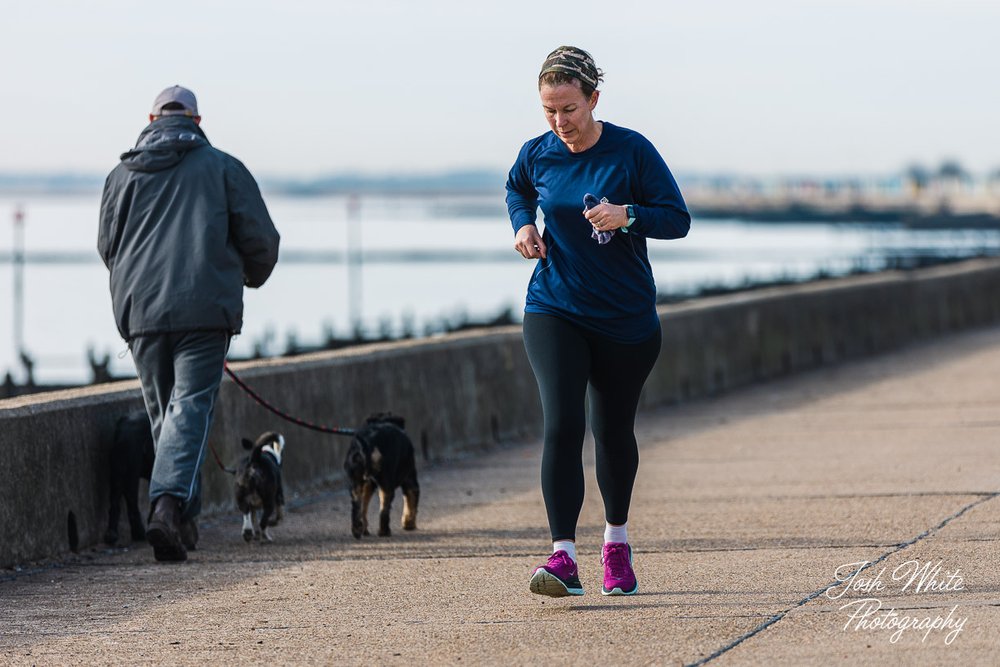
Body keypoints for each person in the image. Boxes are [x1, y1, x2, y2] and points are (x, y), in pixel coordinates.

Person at [506, 47, 690, 597]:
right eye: (549, 110)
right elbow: (517, 190)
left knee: (612, 432)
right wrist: (522, 226)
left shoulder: (632, 151)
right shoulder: (537, 153)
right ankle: (563, 556)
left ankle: (616, 544)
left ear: (593, 99)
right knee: (562, 425)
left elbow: (677, 219)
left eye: (568, 108)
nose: (559, 121)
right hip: (554, 306)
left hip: (625, 319)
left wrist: (627, 215)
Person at [98, 85, 280, 562]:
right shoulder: (222, 168)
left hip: (142, 314)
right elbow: (262, 241)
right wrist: (245, 277)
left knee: (167, 417)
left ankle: (182, 519)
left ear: (152, 118)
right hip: (203, 313)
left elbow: (106, 247)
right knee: (189, 413)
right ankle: (166, 507)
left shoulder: (121, 175)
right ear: (196, 122)